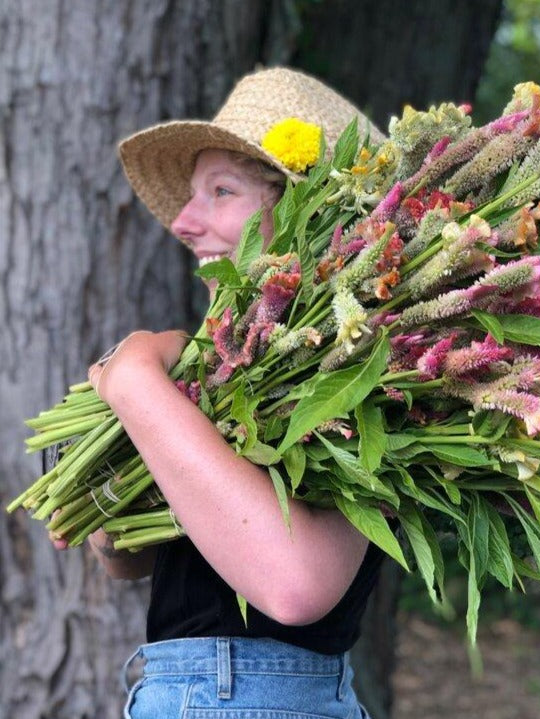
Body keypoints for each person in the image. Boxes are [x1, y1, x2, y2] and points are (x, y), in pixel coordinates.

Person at [56, 67, 386, 718]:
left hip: (247, 695)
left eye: (221, 190)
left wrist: (132, 379)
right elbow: (135, 561)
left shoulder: (357, 362)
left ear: (305, 211)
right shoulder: (234, 364)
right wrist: (108, 495)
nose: (182, 220)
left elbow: (295, 586)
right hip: (203, 689)